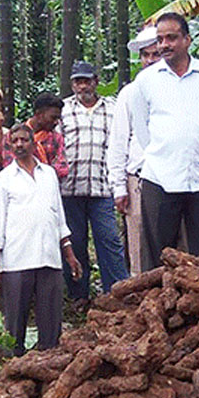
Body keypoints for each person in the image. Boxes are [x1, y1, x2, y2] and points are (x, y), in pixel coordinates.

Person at [129, 12, 199, 269]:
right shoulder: (145, 81)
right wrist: (167, 154)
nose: (164, 45)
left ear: (187, 40)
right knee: (157, 260)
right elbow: (143, 131)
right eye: (160, 39)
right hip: (160, 178)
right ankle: (157, 308)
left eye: (171, 38)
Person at [0, 124, 81, 357]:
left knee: (51, 321)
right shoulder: (3, 179)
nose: (19, 145)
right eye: (14, 141)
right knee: (15, 320)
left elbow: (58, 216)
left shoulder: (48, 174)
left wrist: (69, 254)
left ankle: (49, 361)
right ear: (8, 145)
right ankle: (13, 364)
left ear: (32, 143)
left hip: (49, 257)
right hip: (17, 259)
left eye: (24, 140)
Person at [59, 61, 128, 302]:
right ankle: (79, 296)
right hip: (70, 189)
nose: (82, 85)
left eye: (86, 80)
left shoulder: (114, 108)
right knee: (74, 243)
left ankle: (117, 292)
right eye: (78, 81)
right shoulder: (62, 109)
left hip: (103, 187)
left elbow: (123, 143)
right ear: (72, 84)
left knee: (109, 240)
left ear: (96, 81)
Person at [108, 26, 172, 275]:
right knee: (139, 244)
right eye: (145, 55)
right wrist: (119, 188)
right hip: (139, 179)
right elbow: (118, 142)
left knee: (175, 244)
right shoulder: (130, 93)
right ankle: (143, 301)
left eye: (155, 54)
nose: (149, 60)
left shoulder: (178, 89)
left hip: (173, 178)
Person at [1, 92, 68, 180]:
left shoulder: (56, 138)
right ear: (39, 115)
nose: (56, 122)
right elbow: (9, 165)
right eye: (53, 117)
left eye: (58, 118)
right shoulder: (13, 136)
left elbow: (62, 169)